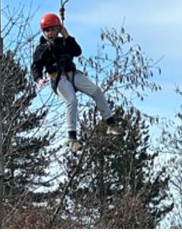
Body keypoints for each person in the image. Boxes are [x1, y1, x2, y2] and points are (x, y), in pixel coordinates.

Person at [31, 12, 123, 151]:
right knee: (71, 100)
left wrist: (66, 35)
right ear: (44, 32)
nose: (50, 33)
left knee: (96, 90)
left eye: (53, 29)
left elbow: (77, 52)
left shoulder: (65, 42)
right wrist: (38, 79)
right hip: (58, 77)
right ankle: (72, 139)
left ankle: (110, 124)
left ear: (58, 29)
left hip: (72, 73)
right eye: (47, 30)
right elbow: (36, 65)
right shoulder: (42, 48)